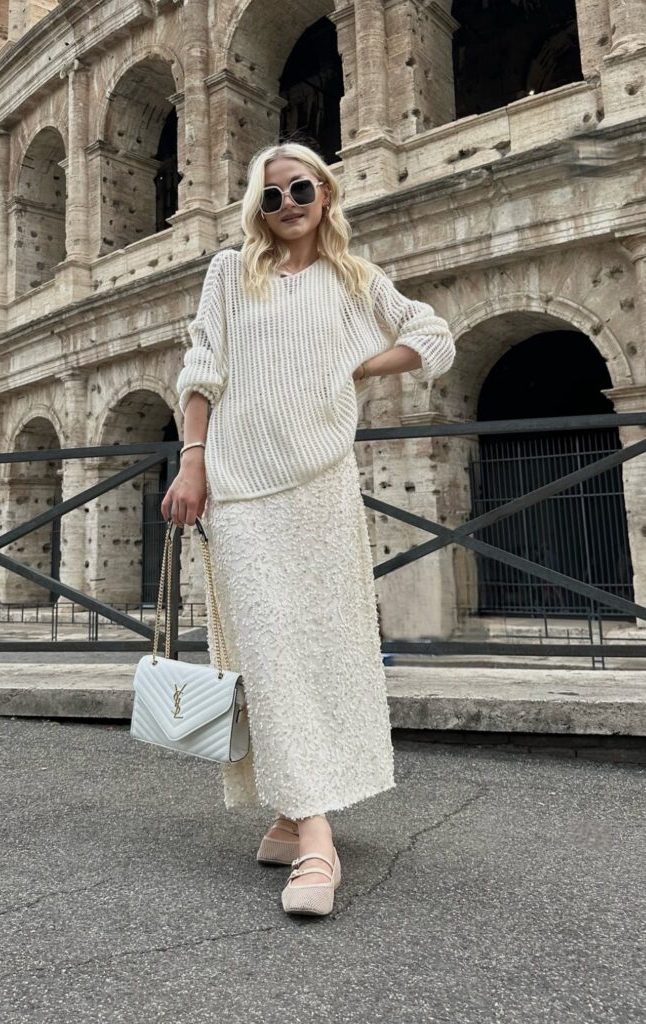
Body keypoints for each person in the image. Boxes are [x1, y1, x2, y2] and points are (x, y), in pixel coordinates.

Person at [161, 141, 455, 917]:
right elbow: (200, 370)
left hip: (318, 486)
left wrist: (358, 367)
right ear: (256, 208)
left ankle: (293, 817)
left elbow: (433, 336)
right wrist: (192, 461)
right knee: (266, 647)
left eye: (299, 189)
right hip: (239, 487)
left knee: (319, 649)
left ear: (324, 193)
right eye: (270, 195)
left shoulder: (355, 280)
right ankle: (318, 837)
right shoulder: (231, 271)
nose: (286, 203)